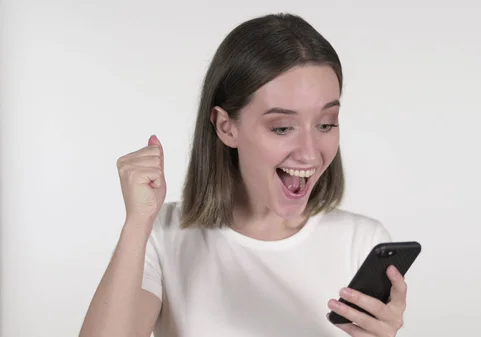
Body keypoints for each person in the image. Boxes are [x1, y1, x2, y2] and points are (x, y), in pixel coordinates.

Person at [79, 13, 407, 337]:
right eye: (282, 127)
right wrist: (138, 222)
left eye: (326, 124)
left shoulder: (361, 243)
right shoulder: (163, 235)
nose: (309, 152)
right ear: (227, 127)